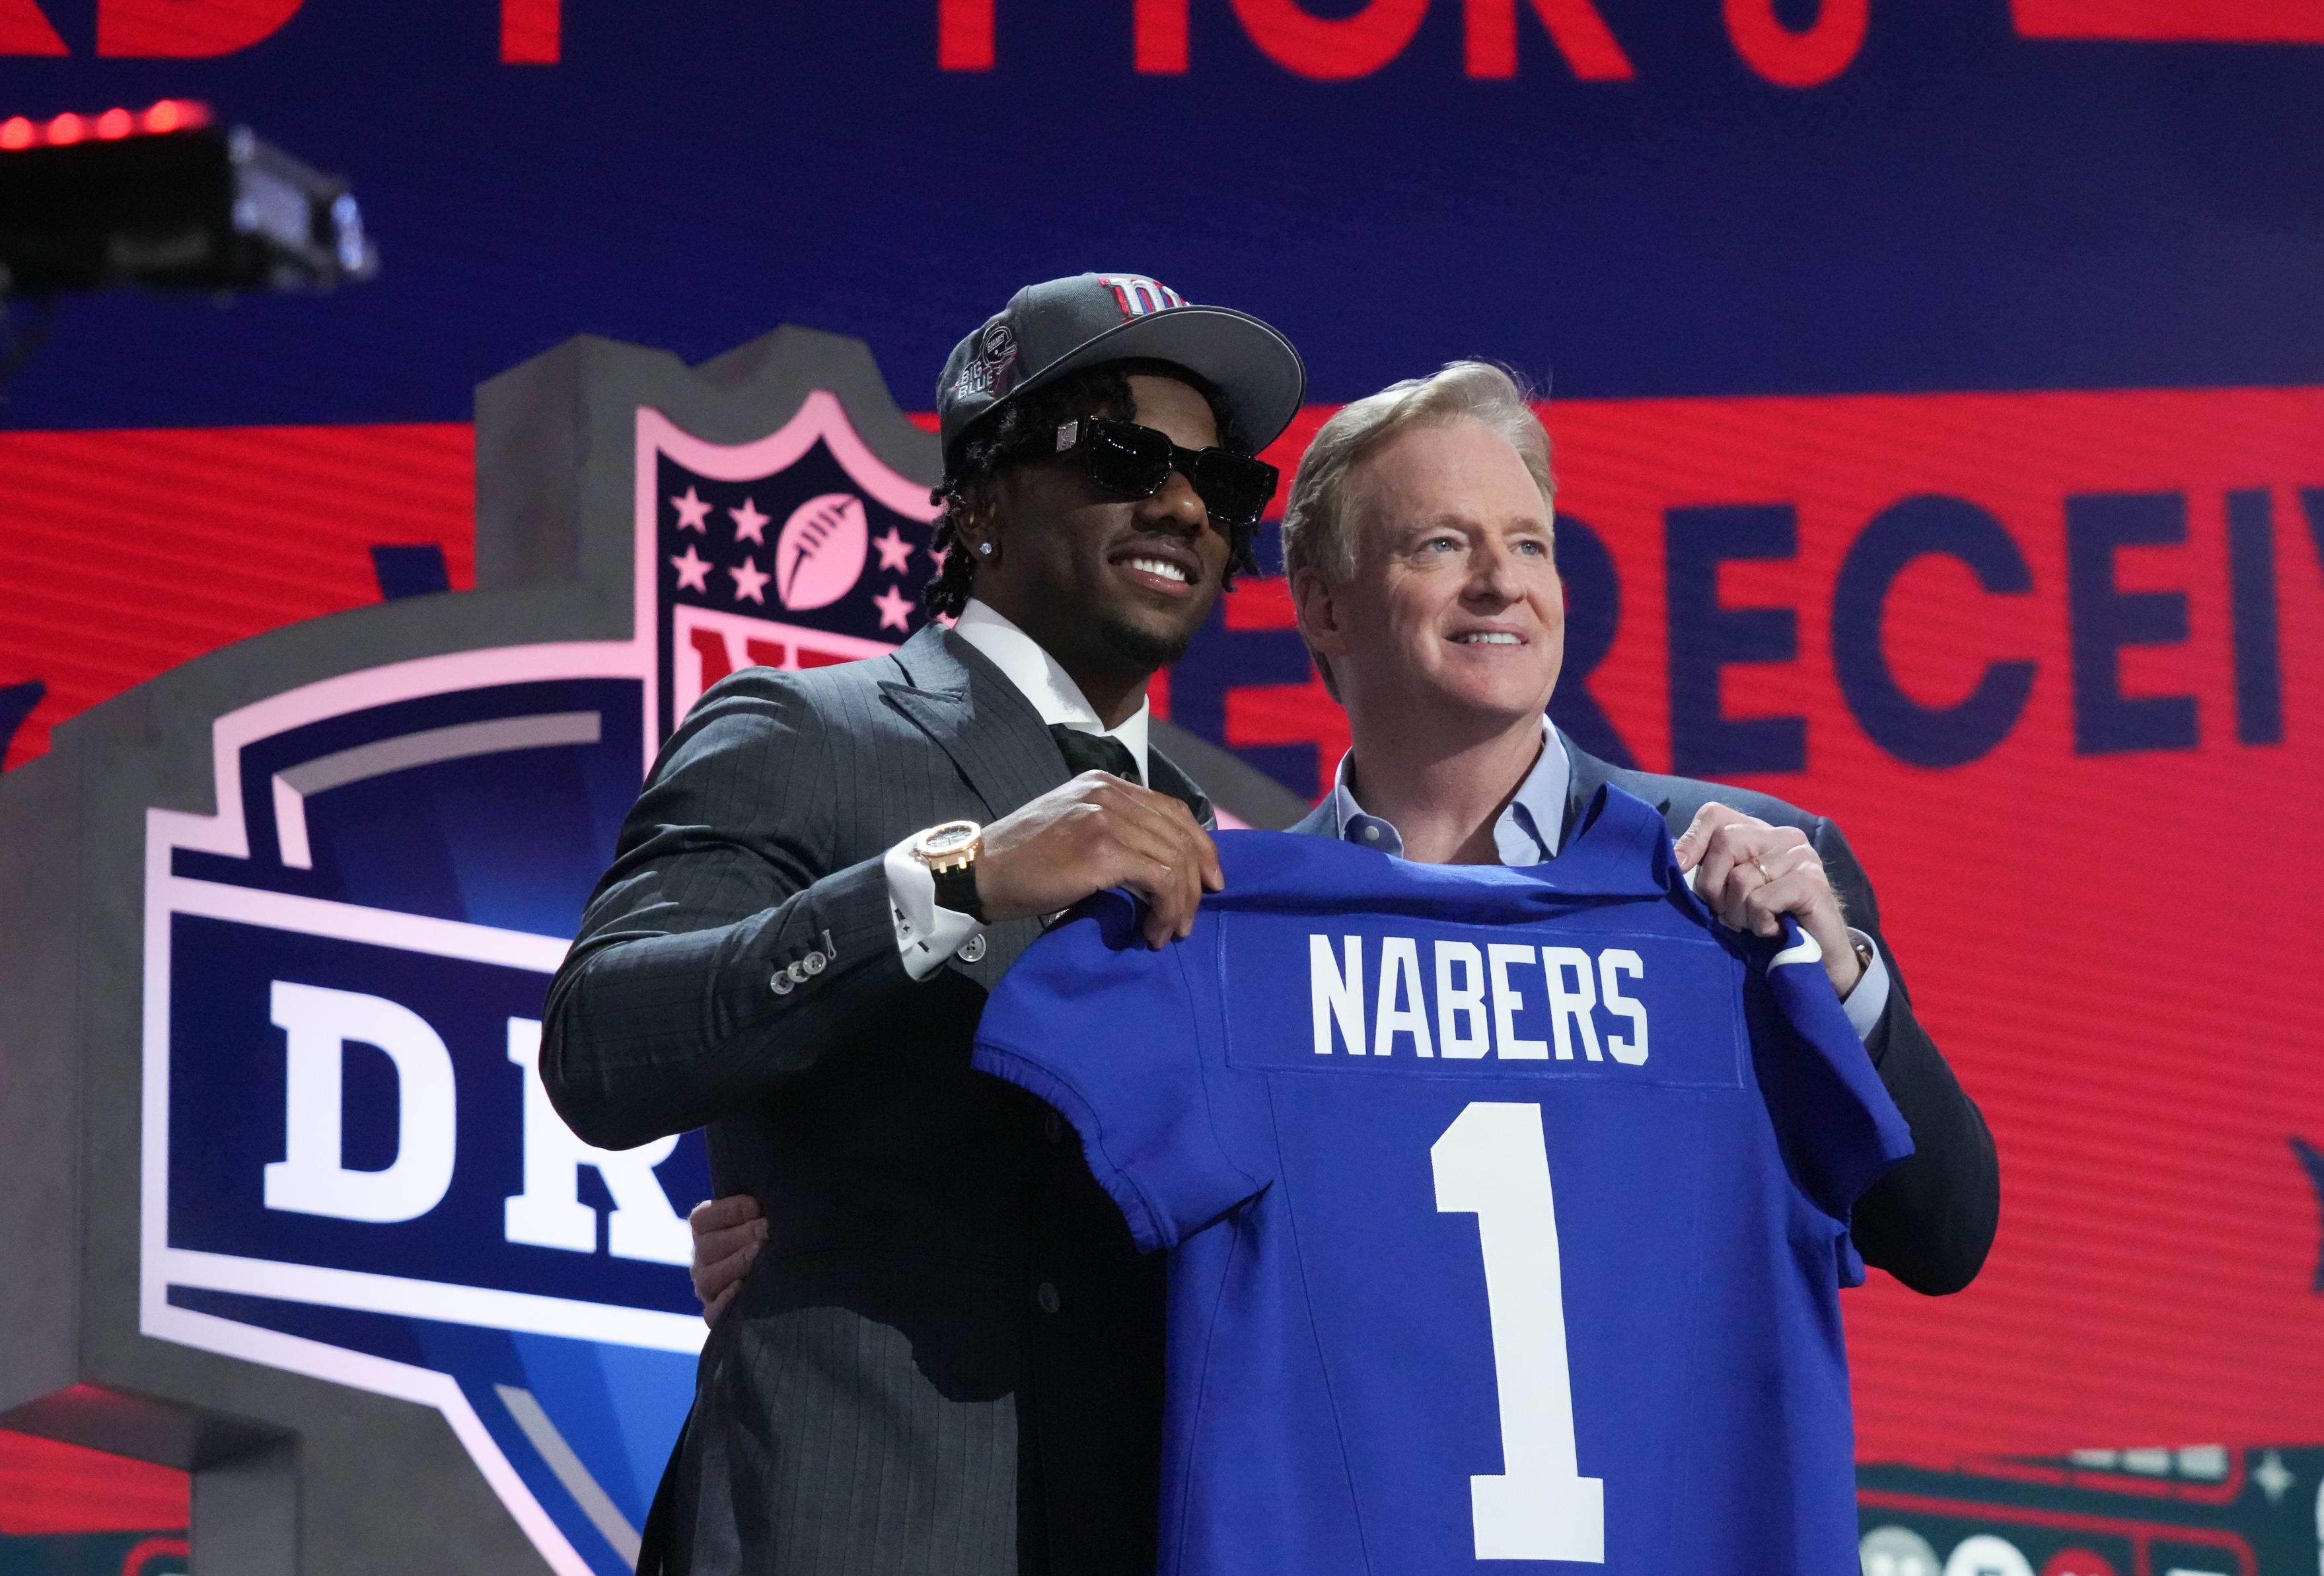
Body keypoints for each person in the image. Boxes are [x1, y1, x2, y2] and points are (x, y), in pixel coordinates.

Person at [688, 361, 1995, 1336]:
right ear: (1322, 601)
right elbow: (1124, 1282)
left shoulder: (1733, 876)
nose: (1503, 583)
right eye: (1443, 545)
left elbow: (1942, 1230)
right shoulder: (1220, 925)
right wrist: (826, 1256)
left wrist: (1841, 971)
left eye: (1528, 544)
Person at [538, 271, 1306, 1575]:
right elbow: (604, 1046)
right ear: (987, 495)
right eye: (1128, 455)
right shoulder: (804, 732)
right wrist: (959, 876)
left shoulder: (1235, 855)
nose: (1183, 502)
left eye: (1223, 485)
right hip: (846, 1522)